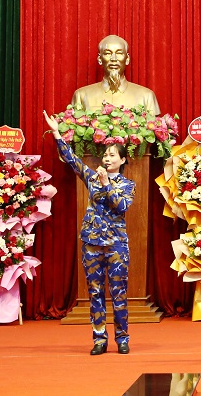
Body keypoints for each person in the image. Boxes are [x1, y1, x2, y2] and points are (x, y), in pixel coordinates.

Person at [43, 109, 134, 355]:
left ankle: (122, 339)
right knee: (95, 292)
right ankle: (99, 339)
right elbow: (72, 160)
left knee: (118, 293)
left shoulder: (127, 184)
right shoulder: (91, 177)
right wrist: (56, 134)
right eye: (105, 154)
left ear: (122, 160)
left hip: (116, 244)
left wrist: (107, 184)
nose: (107, 158)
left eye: (112, 155)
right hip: (91, 242)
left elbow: (122, 206)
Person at [71, 35, 160, 115]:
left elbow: (153, 125)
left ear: (127, 59)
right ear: (100, 59)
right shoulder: (81, 95)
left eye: (119, 53)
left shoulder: (146, 96)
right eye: (107, 53)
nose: (113, 59)